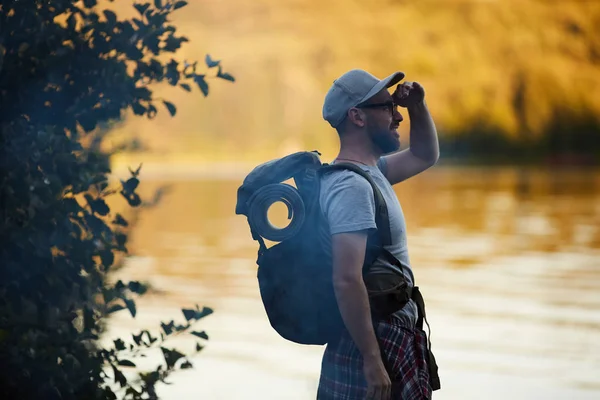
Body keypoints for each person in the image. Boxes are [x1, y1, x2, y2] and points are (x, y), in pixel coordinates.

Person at [316, 69, 440, 400]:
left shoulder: (372, 173)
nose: (397, 117)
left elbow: (424, 155)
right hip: (373, 346)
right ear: (356, 116)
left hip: (385, 338)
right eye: (387, 107)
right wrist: (372, 361)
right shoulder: (351, 187)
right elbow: (346, 279)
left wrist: (418, 106)